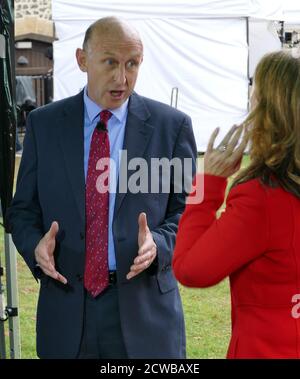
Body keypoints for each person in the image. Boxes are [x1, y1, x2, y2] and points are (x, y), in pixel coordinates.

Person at [7, 17, 197, 358]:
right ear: (82, 60)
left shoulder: (172, 128)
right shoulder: (44, 125)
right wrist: (35, 245)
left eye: (132, 64)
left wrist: (159, 243)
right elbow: (21, 210)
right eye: (110, 62)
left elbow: (184, 212)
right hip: (67, 314)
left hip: (145, 315)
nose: (121, 78)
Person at [173, 50, 300, 359]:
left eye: (253, 94)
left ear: (268, 110)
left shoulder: (262, 197)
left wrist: (210, 182)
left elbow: (191, 269)